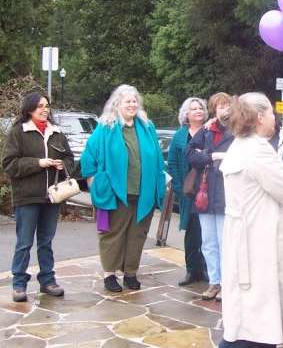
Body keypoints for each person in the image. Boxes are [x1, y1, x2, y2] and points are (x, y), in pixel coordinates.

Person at [219, 92, 283, 348]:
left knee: (247, 315)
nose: (274, 117)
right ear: (260, 117)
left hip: (246, 237)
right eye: (271, 112)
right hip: (261, 242)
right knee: (260, 318)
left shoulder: (238, 145)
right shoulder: (258, 149)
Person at [81, 84, 165, 292]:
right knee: (113, 235)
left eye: (135, 101)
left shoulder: (147, 127)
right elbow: (88, 158)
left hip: (143, 193)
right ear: (117, 104)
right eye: (128, 101)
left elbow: (158, 159)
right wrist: (95, 184)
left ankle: (130, 273)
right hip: (116, 194)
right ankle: (110, 274)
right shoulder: (106, 127)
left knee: (137, 235)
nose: (132, 104)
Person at [3, 92, 74, 302]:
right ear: (29, 109)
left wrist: (63, 165)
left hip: (52, 197)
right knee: (24, 242)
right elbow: (9, 165)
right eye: (40, 106)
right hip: (27, 198)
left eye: (47, 106)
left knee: (46, 241)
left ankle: (47, 281)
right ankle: (18, 284)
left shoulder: (57, 132)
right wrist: (38, 163)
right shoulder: (18, 132)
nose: (45, 110)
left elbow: (70, 159)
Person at [187, 92, 233, 301]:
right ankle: (214, 281)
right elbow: (190, 154)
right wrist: (211, 157)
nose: (225, 109)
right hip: (204, 194)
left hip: (226, 194)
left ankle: (227, 283)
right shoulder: (205, 131)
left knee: (226, 242)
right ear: (214, 110)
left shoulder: (238, 130)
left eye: (227, 105)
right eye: (220, 106)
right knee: (208, 242)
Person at [167, 97, 208, 286]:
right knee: (191, 231)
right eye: (193, 109)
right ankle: (192, 270)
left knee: (207, 231)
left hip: (208, 189)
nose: (198, 110)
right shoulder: (179, 136)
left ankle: (206, 269)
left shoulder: (209, 132)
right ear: (186, 114)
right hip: (188, 190)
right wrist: (178, 187)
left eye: (201, 108)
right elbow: (173, 163)